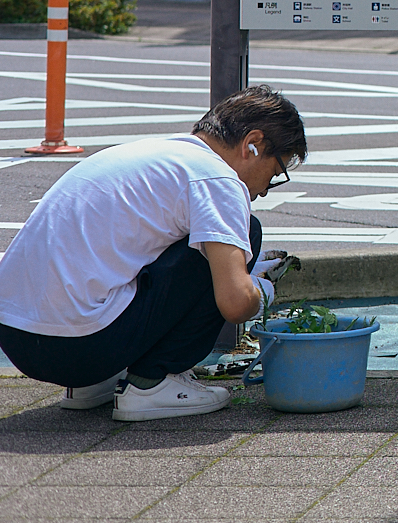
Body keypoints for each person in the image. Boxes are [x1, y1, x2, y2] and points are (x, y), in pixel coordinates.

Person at [0, 89, 305, 420]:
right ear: (253, 144)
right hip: (79, 348)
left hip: (17, 338)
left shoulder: (150, 155)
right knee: (249, 230)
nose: (262, 190)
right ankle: (153, 384)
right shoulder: (217, 178)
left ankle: (98, 382)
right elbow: (234, 303)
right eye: (274, 174)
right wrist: (260, 289)